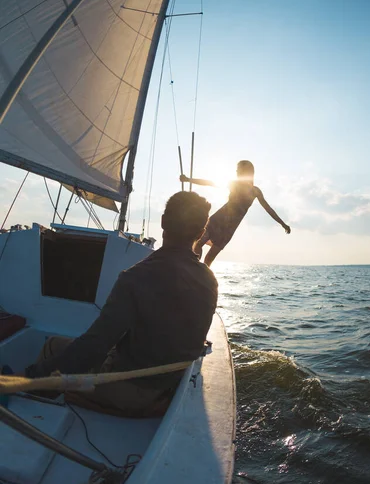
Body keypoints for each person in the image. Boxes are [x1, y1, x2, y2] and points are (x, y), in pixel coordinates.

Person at [25, 191, 218, 417]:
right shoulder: (209, 279)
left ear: (163, 221)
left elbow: (93, 348)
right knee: (61, 350)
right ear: (201, 232)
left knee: (51, 348)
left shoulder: (136, 277)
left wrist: (30, 376)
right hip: (170, 385)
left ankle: (31, 405)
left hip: (129, 391)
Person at [181, 160, 291, 267]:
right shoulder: (233, 184)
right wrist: (188, 180)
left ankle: (201, 278)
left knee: (209, 258)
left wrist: (282, 224)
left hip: (229, 228)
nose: (237, 172)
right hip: (217, 220)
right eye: (236, 170)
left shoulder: (255, 191)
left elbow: (268, 209)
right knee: (198, 244)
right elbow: (209, 183)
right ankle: (193, 268)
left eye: (239, 170)